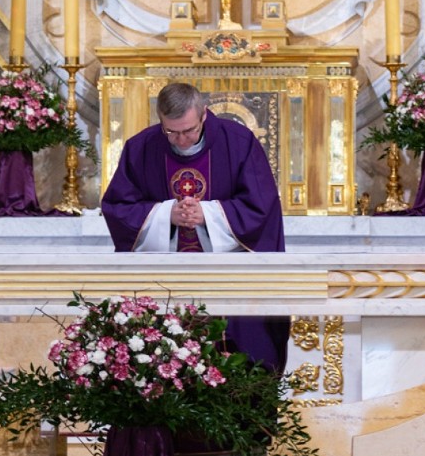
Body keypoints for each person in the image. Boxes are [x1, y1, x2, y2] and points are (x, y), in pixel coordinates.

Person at [101, 82, 289, 371]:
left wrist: (209, 215)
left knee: (243, 355)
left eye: (188, 130)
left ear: (204, 115)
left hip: (231, 277)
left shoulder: (238, 141)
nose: (181, 140)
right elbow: (117, 208)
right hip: (165, 279)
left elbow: (262, 206)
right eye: (171, 132)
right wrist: (166, 215)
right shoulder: (141, 147)